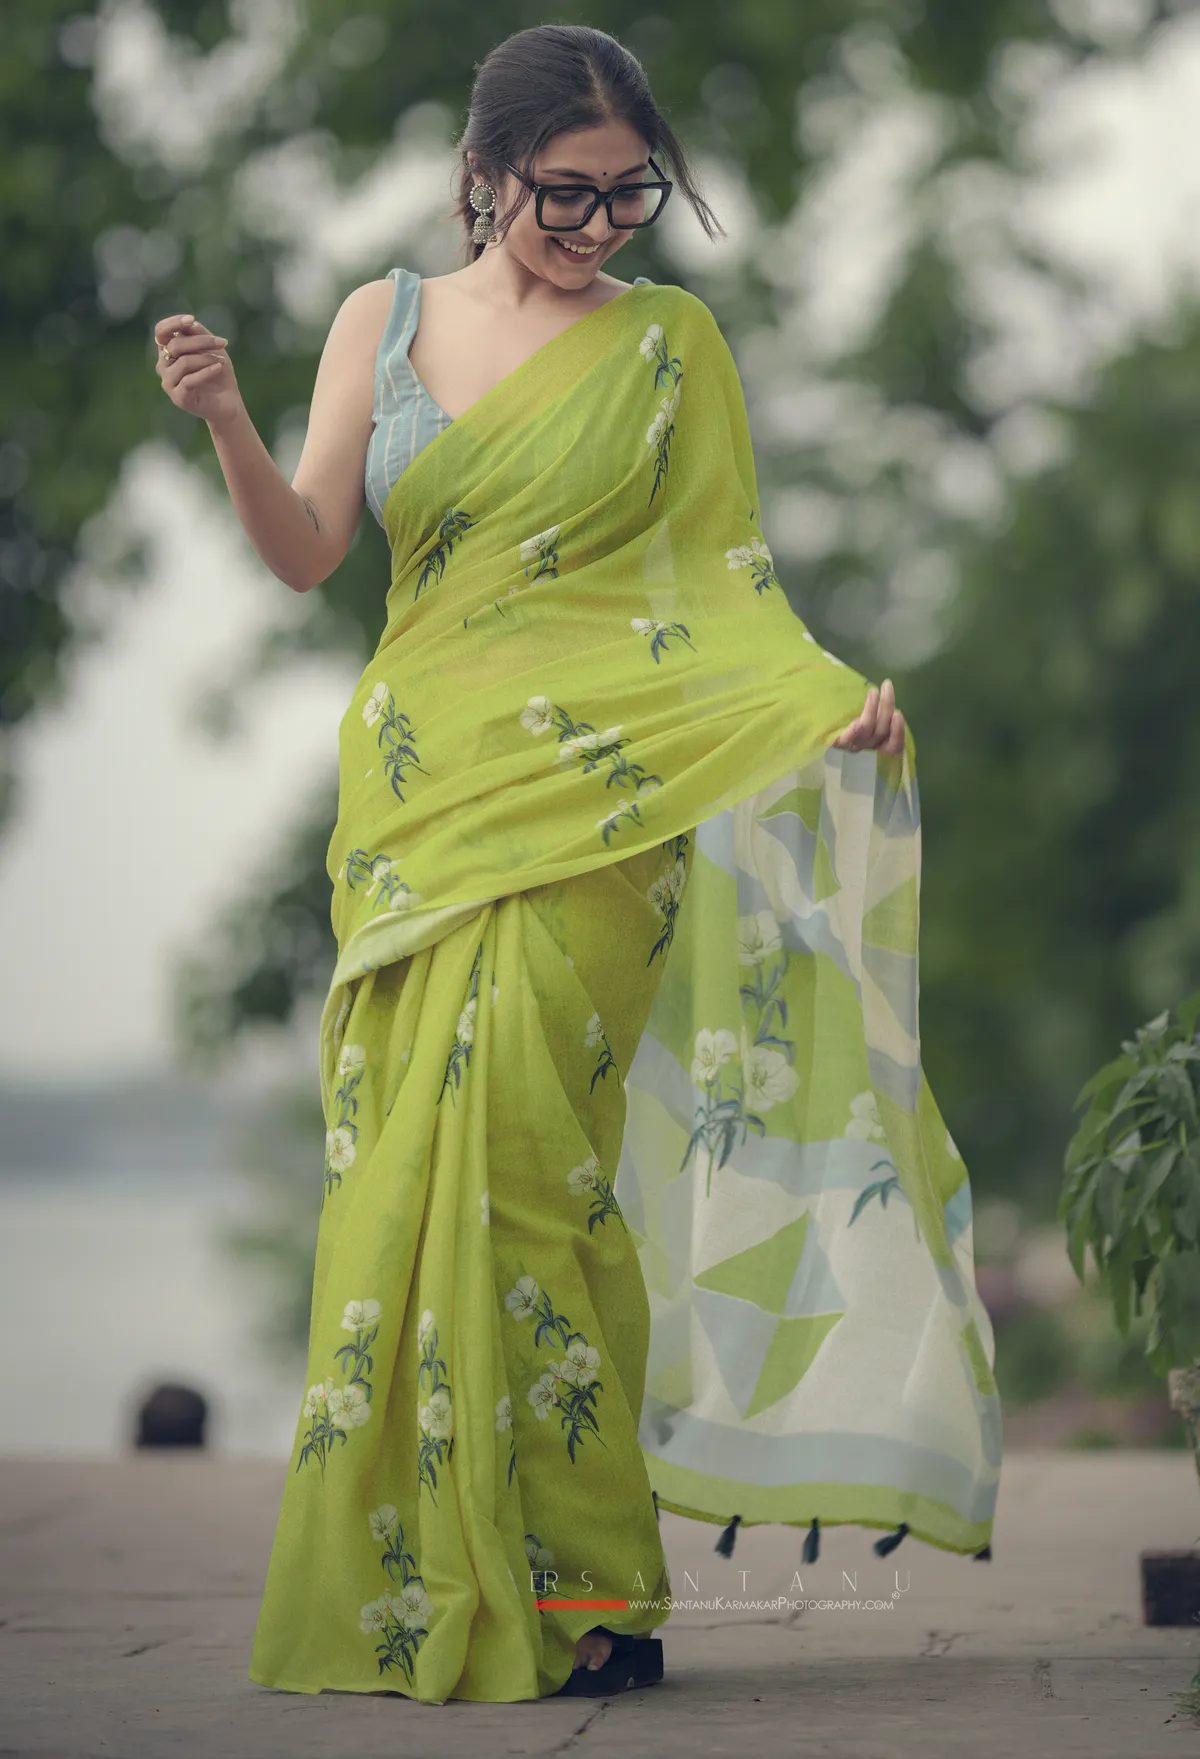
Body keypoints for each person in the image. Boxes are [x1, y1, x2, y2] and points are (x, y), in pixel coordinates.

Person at [153, 22, 1000, 1708]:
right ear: (486, 173)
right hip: (421, 814)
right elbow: (309, 551)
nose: (600, 225)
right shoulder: (382, 323)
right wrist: (230, 420)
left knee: (534, 1175)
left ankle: (592, 1588)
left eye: (630, 196)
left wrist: (826, 710)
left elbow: (728, 591)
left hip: (603, 822)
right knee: (403, 1176)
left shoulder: (669, 348)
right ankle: (427, 1572)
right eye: (569, 193)